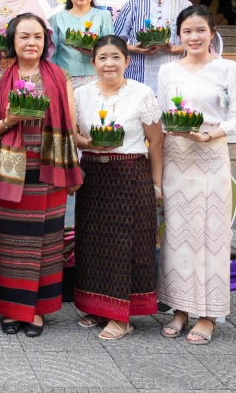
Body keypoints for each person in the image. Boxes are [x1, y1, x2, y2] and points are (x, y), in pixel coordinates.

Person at [0, 13, 82, 337]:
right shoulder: (0, 79)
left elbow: (69, 125)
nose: (31, 42)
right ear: (13, 40)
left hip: (48, 170)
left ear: (46, 42)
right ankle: (12, 309)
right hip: (11, 171)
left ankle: (37, 310)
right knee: (10, 243)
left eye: (38, 37)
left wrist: (74, 167)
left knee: (46, 243)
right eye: (24, 36)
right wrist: (11, 120)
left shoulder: (60, 76)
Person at [157, 6, 236, 345]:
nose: (193, 37)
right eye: (186, 32)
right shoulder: (167, 71)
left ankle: (208, 314)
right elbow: (165, 115)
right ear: (178, 36)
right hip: (176, 158)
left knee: (211, 236)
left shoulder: (228, 69)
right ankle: (180, 309)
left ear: (212, 32)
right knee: (177, 235)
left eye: (199, 31)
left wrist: (208, 135)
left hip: (210, 157)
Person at [73, 35, 163, 340]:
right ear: (93, 62)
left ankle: (122, 317)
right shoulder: (81, 94)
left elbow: (157, 140)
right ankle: (98, 306)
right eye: (102, 58)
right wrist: (87, 142)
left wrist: (156, 182)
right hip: (93, 175)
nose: (109, 63)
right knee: (93, 241)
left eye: (115, 57)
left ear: (127, 60)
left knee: (125, 244)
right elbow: (74, 135)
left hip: (129, 174)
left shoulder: (141, 93)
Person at [115, 0, 192, 92]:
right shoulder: (131, 6)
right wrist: (136, 49)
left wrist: (172, 49)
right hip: (136, 83)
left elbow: (195, 43)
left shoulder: (185, 6)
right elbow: (114, 42)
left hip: (175, 83)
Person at [49, 0, 114, 89]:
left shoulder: (104, 16)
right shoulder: (56, 19)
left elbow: (110, 49)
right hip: (65, 79)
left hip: (96, 78)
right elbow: (52, 54)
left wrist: (94, 52)